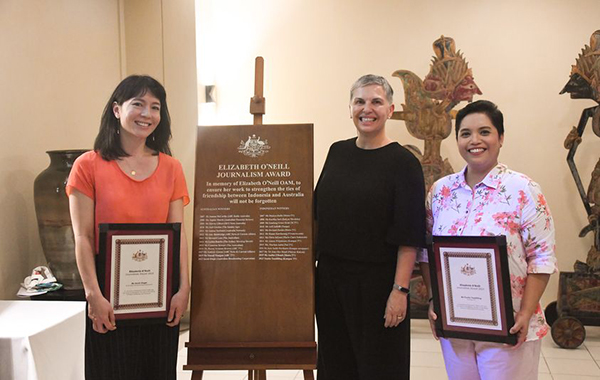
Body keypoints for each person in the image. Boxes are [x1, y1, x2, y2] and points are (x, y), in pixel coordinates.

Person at [419, 100, 557, 380]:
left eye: (485, 131)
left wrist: (526, 313)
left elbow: (542, 258)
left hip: (510, 324)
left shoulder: (523, 189)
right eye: (465, 133)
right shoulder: (441, 191)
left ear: (501, 137)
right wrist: (435, 300)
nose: (475, 140)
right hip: (456, 323)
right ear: (457, 139)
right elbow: (427, 253)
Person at [67, 75, 190, 380]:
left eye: (155, 106)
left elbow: (178, 233)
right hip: (107, 293)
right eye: (138, 104)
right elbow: (82, 236)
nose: (147, 114)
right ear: (117, 110)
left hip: (159, 291)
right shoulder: (87, 165)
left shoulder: (172, 167)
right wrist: (92, 295)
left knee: (158, 371)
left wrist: (184, 287)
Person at [314, 74, 426, 380]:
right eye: (360, 101)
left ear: (390, 109)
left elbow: (409, 235)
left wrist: (400, 291)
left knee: (379, 368)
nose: (367, 108)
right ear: (350, 108)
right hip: (331, 282)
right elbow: (318, 215)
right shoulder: (337, 152)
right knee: (335, 365)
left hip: (379, 284)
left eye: (376, 101)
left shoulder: (404, 163)